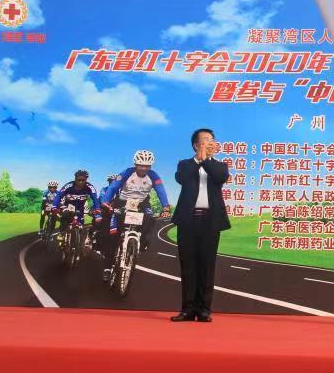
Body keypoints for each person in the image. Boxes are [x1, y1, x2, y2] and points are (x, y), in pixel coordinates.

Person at [170, 129, 230, 322]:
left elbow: (220, 178)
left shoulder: (220, 166)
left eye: (212, 140)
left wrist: (205, 160)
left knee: (207, 266)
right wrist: (198, 159)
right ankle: (187, 310)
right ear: (196, 145)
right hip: (188, 221)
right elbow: (182, 179)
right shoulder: (185, 165)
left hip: (210, 222)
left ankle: (204, 310)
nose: (210, 142)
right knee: (188, 266)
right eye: (205, 140)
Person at [99, 151, 171, 282]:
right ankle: (107, 268)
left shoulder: (153, 176)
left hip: (142, 204)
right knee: (113, 236)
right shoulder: (127, 173)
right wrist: (105, 201)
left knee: (150, 219)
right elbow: (113, 187)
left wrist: (166, 207)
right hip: (122, 202)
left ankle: (141, 242)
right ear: (135, 164)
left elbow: (161, 190)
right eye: (141, 165)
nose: (144, 168)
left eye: (147, 166)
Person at [49, 169, 102, 237]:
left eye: (83, 180)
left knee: (80, 226)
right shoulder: (69, 185)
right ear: (75, 178)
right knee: (65, 216)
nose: (80, 182)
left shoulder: (90, 187)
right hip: (68, 206)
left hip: (80, 208)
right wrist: (54, 206)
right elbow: (59, 195)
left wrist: (97, 209)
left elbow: (95, 199)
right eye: (78, 180)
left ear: (86, 179)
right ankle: (62, 233)